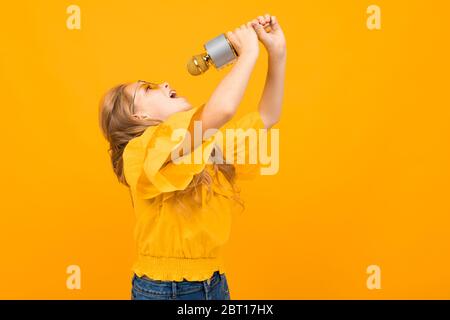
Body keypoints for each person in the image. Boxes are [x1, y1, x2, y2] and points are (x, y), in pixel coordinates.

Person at [98, 14, 286, 300]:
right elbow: (222, 110)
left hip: (213, 282)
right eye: (147, 88)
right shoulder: (142, 150)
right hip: (165, 289)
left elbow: (266, 115)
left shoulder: (202, 145)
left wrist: (277, 53)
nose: (162, 83)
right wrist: (248, 53)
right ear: (139, 116)